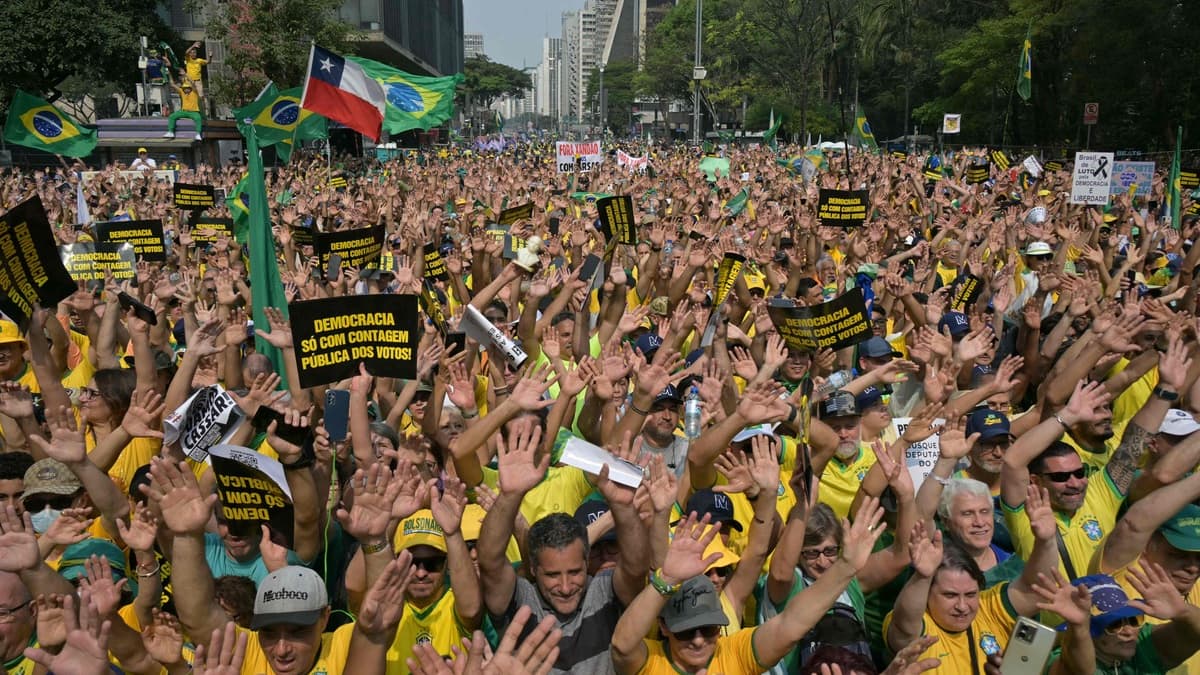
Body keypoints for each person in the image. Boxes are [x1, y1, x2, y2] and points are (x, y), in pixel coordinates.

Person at [163, 73, 203, 141]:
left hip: (193, 112)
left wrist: (186, 75)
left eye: (187, 88)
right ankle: (170, 132)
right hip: (184, 111)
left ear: (190, 88)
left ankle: (198, 134)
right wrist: (169, 75)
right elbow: (172, 84)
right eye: (184, 88)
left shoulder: (194, 92)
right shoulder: (182, 91)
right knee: (172, 116)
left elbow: (193, 83)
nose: (185, 89)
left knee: (198, 118)